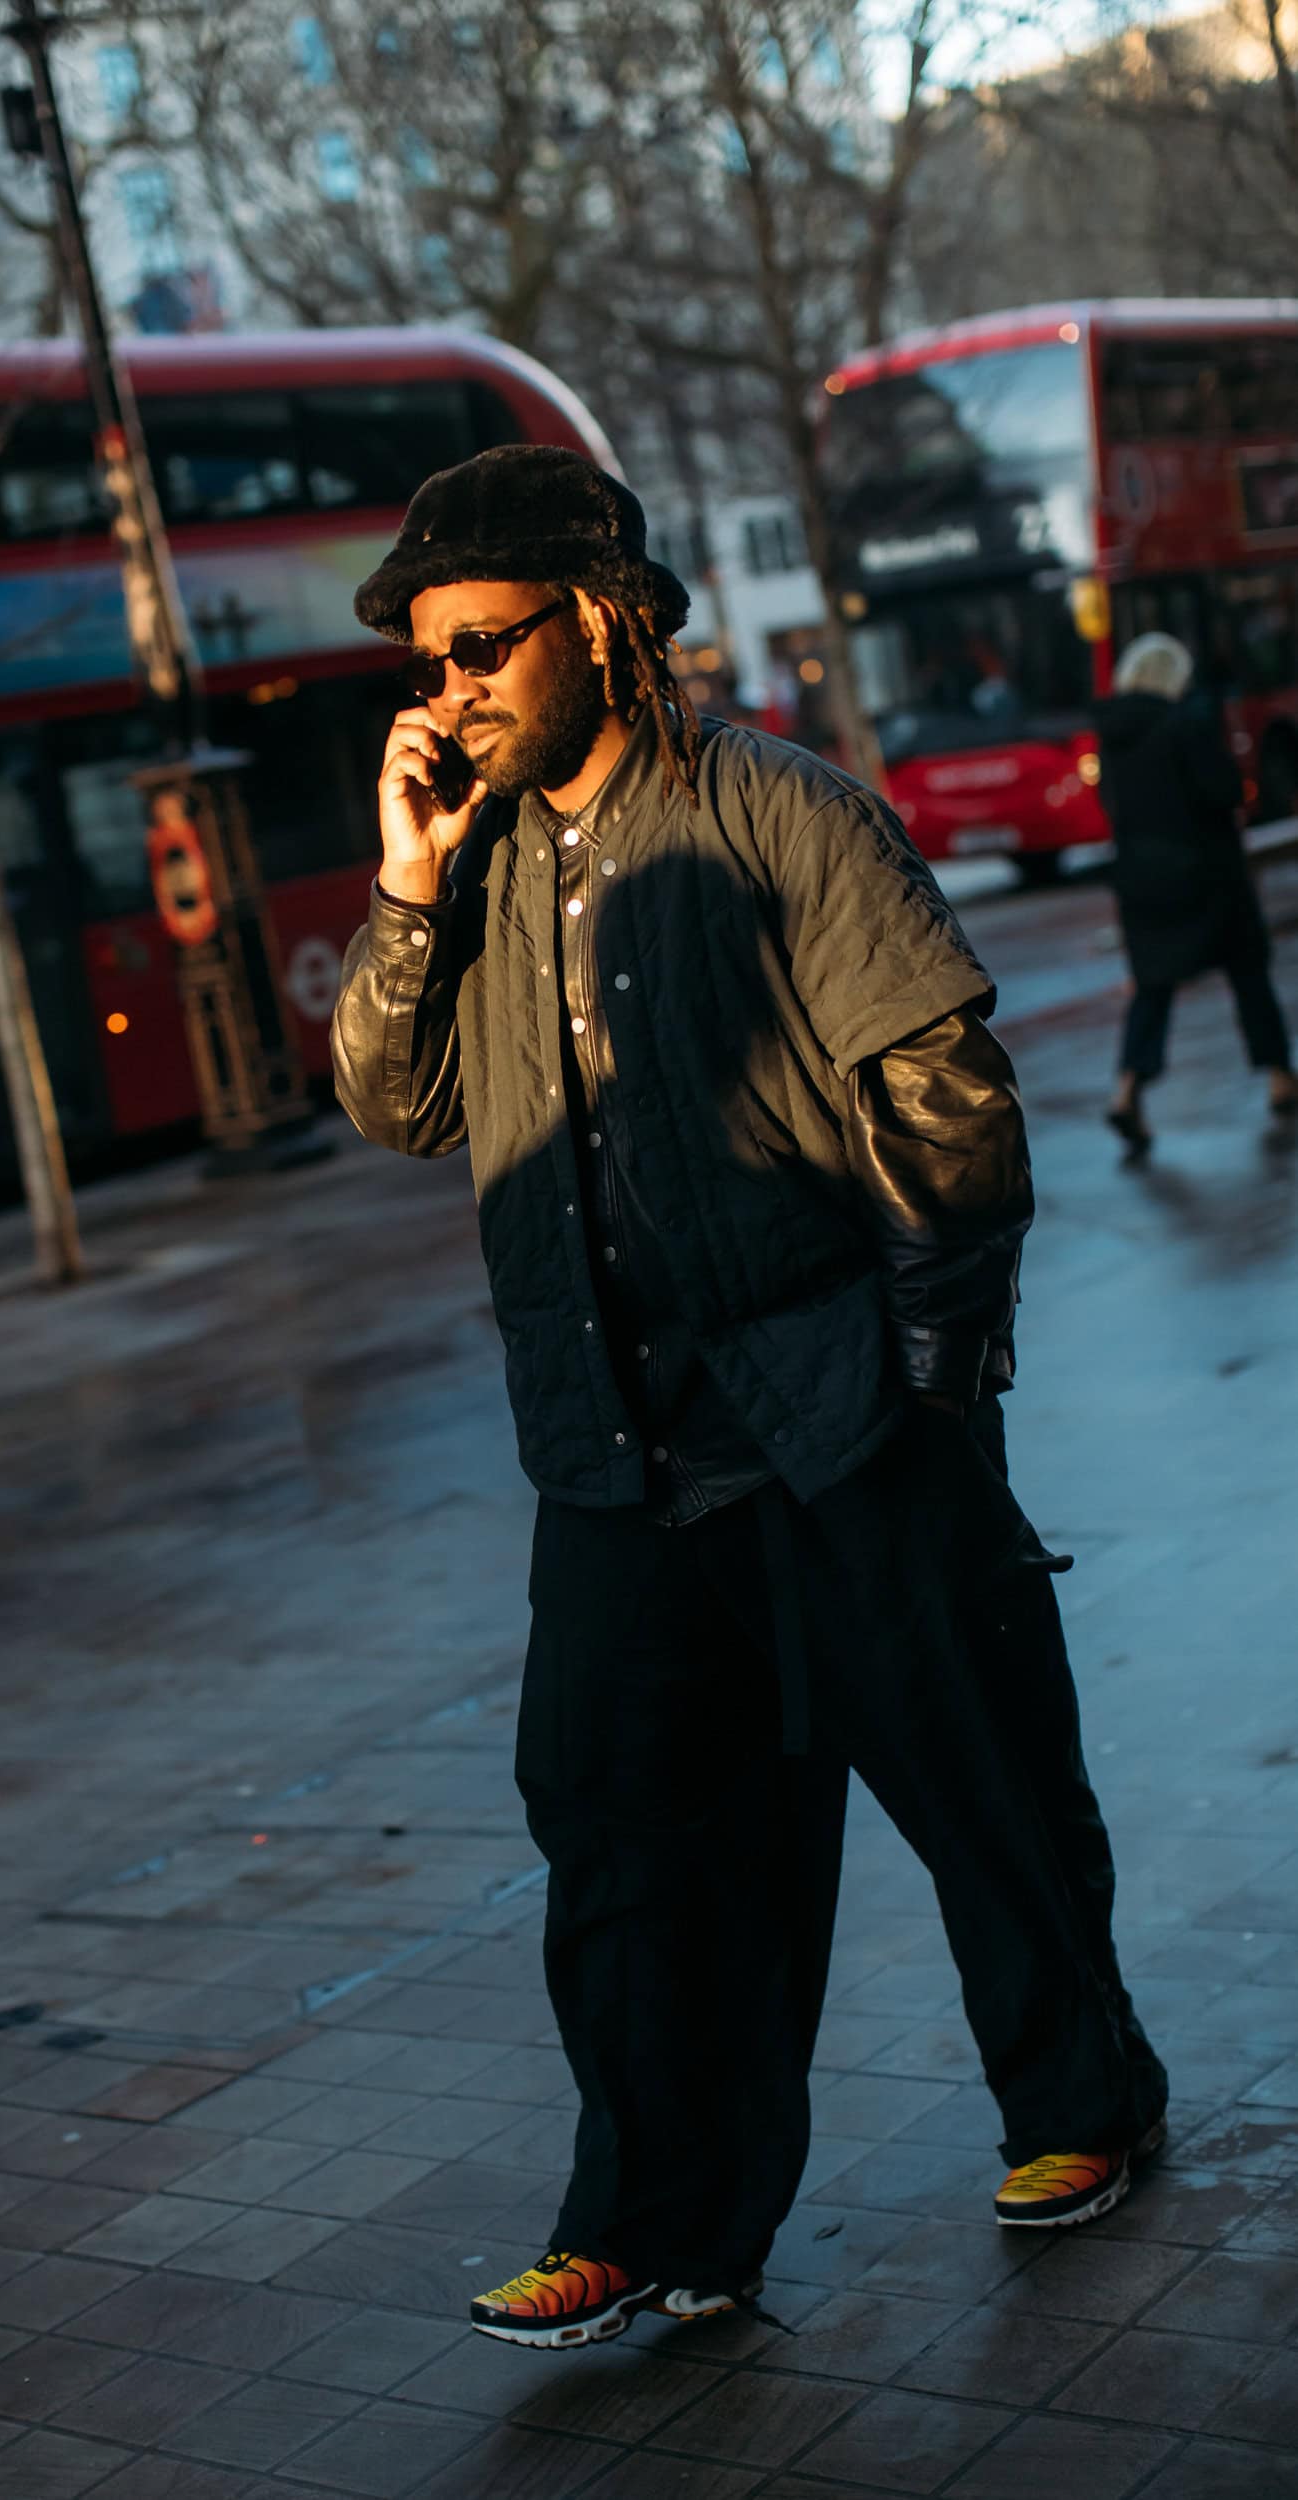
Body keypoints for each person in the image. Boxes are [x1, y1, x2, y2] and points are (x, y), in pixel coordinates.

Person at [331, 445, 1166, 2352]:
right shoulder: (465, 872)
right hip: (611, 1458)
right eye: (426, 663)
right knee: (619, 1837)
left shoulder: (782, 817)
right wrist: (403, 887)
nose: (444, 692)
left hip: (832, 1414)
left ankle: (1080, 2105)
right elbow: (393, 1104)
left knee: (979, 1786)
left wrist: (926, 1400)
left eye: (479, 650)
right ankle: (658, 2224)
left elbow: (949, 1114)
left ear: (604, 627)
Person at [1099, 631, 1298, 1153]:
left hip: (1141, 880)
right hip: (1208, 873)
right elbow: (1225, 791)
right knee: (1249, 973)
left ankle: (1127, 1092)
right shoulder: (1185, 724)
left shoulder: (1113, 737)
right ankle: (1280, 1076)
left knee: (1152, 990)